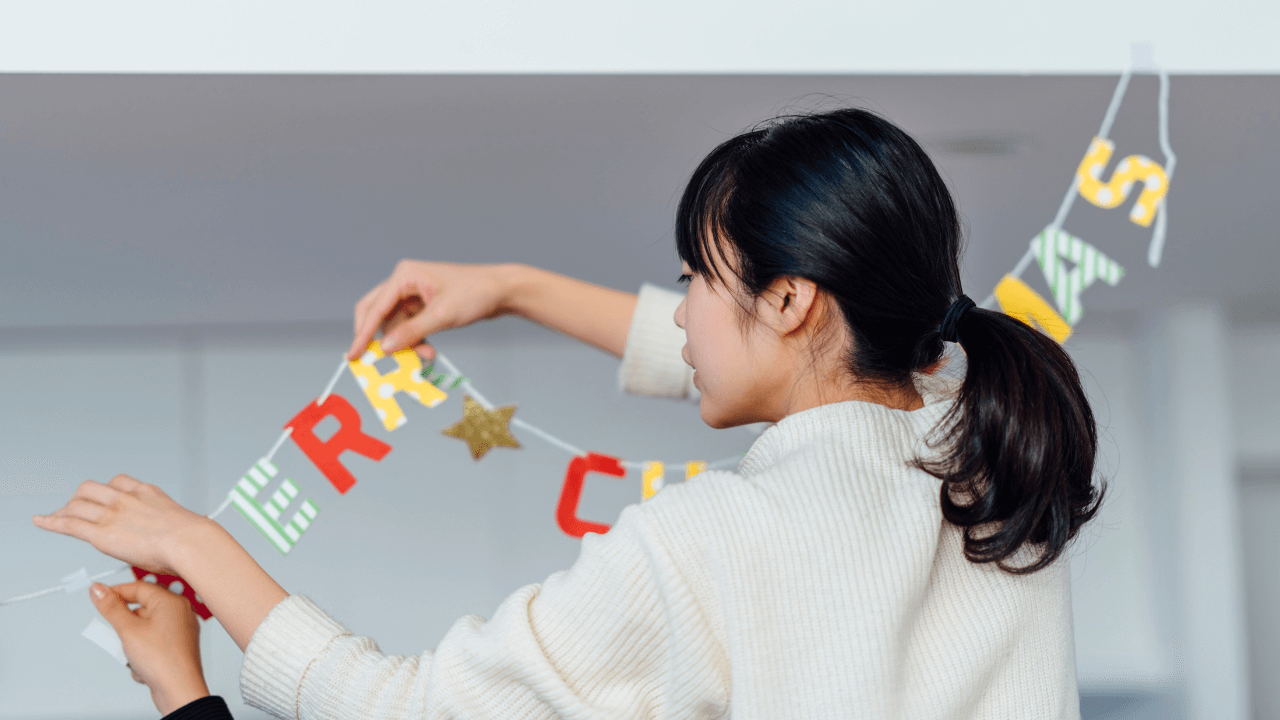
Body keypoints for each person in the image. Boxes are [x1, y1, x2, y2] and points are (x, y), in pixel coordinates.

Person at [36, 107, 1101, 719]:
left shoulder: (708, 539)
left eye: (693, 276)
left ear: (787, 300)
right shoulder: (991, 450)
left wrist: (196, 547)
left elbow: (411, 710)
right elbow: (788, 371)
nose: (680, 312)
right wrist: (508, 287)